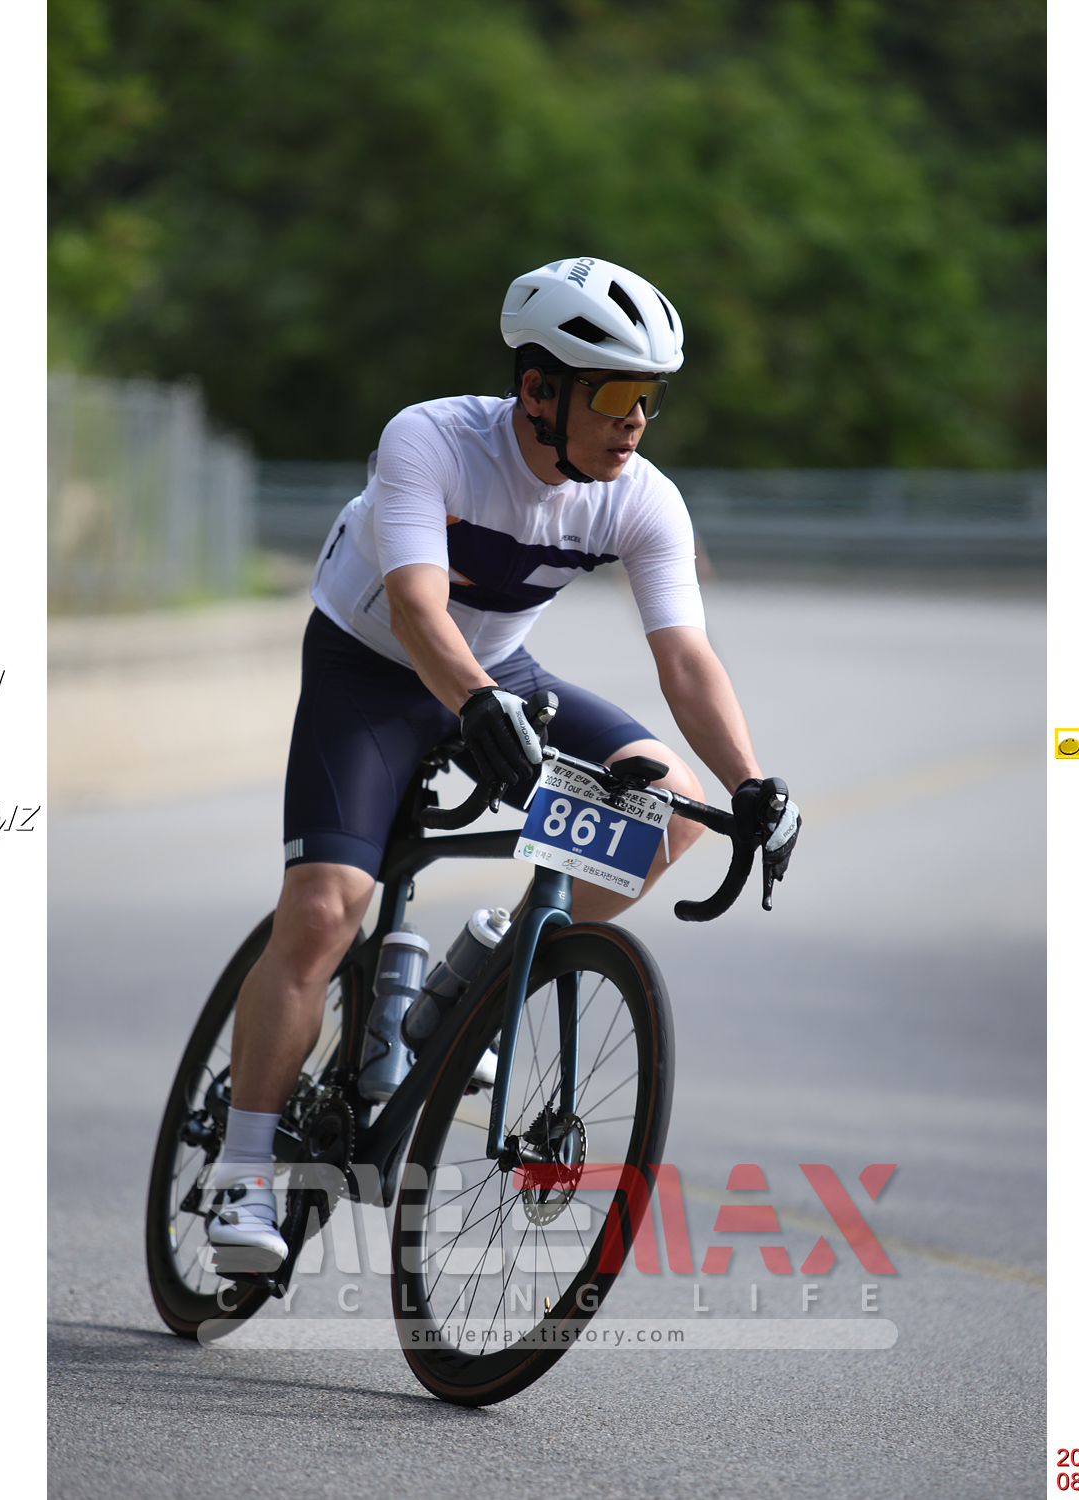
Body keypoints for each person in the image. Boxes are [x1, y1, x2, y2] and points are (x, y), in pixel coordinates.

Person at [207, 256, 798, 1268]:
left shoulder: (642, 499)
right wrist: (475, 703)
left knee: (673, 807)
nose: (635, 422)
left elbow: (685, 658)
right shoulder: (432, 439)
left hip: (500, 672)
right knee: (324, 908)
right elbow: (415, 607)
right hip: (372, 668)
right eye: (613, 396)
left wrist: (749, 783)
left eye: (648, 399)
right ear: (537, 389)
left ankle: (488, 981)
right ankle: (244, 1170)